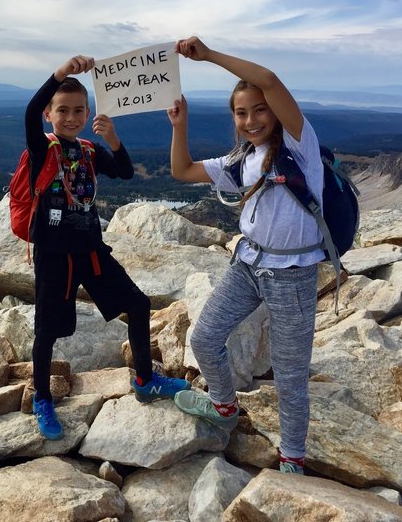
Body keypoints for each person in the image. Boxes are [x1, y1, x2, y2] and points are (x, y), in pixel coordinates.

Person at [167, 36, 324, 475]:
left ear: (275, 112)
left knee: (290, 376)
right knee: (203, 337)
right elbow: (182, 171)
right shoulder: (243, 159)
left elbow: (270, 79)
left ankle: (292, 458)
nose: (252, 119)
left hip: (293, 274)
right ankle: (224, 407)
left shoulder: (299, 145)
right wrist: (180, 125)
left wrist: (210, 56)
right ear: (234, 119)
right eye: (242, 113)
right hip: (249, 264)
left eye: (259, 109)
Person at [25, 55, 189, 440]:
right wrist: (60, 74)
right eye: (62, 110)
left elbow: (125, 171)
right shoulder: (42, 149)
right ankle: (42, 397)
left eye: (78, 110)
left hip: (91, 251)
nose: (71, 117)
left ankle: (145, 381)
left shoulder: (88, 150)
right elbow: (30, 110)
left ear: (87, 113)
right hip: (54, 257)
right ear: (50, 114)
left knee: (138, 305)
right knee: (47, 331)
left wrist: (112, 139)